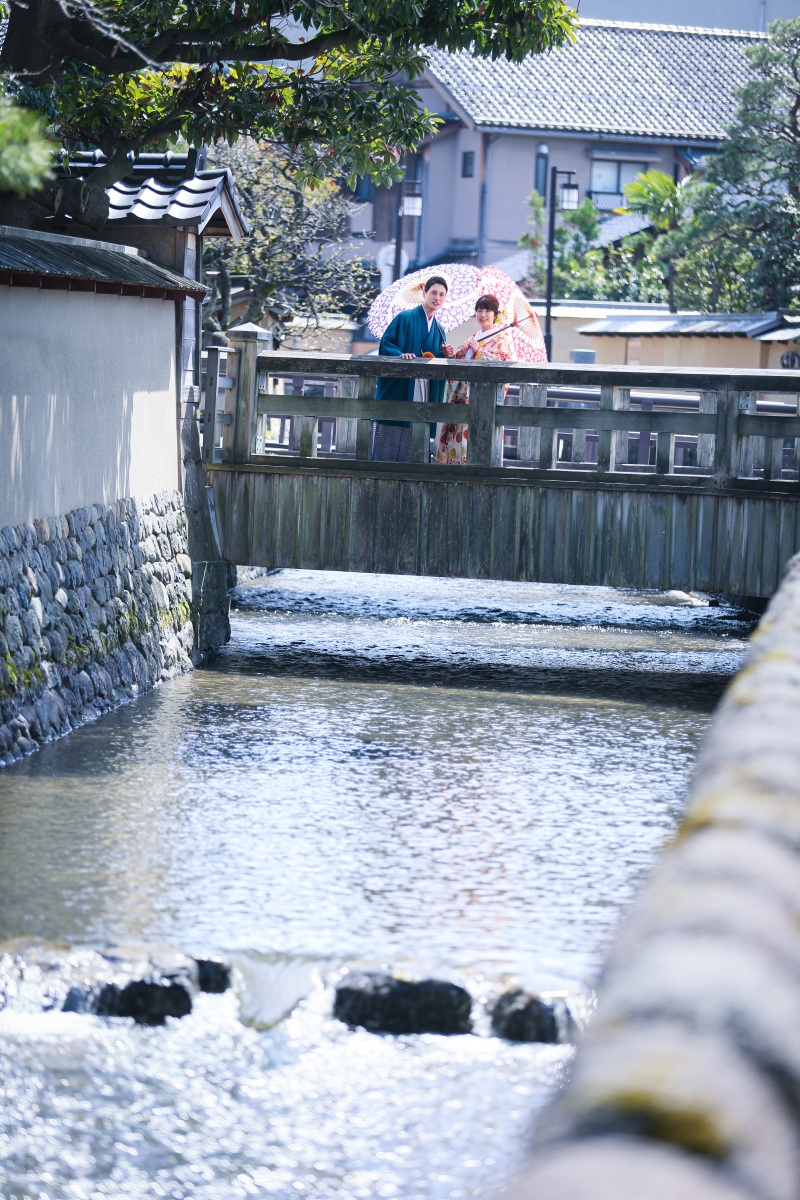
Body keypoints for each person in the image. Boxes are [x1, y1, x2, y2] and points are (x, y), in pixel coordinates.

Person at [373, 276, 454, 462]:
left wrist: (444, 354)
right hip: (404, 385)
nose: (437, 298)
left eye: (442, 294)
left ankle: (417, 462)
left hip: (424, 388)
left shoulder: (439, 329)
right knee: (395, 429)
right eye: (433, 292)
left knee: (418, 427)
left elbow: (433, 359)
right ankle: (385, 464)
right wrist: (401, 355)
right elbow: (387, 344)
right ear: (424, 294)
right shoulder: (405, 318)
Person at [435, 293, 514, 466]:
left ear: (495, 314)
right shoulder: (474, 336)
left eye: (487, 310)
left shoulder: (501, 338)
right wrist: (456, 354)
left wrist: (480, 351)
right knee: (457, 434)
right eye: (479, 310)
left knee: (478, 436)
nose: (483, 315)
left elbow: (502, 363)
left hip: (482, 398)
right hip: (461, 396)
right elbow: (458, 364)